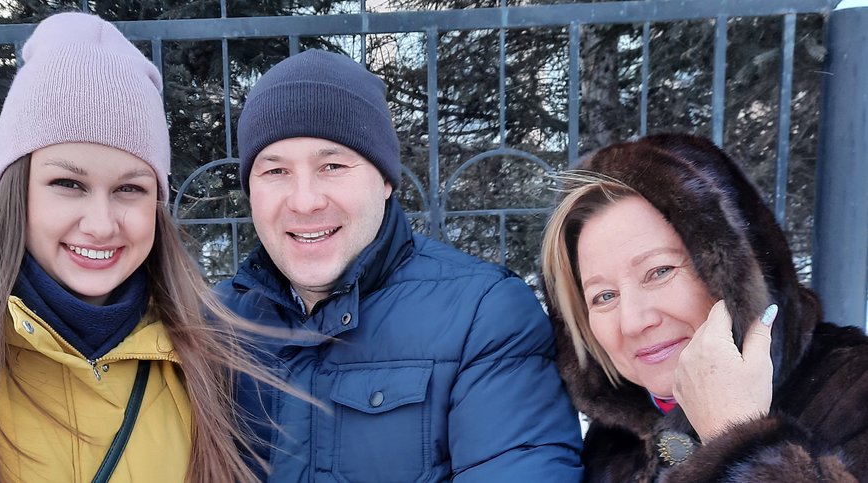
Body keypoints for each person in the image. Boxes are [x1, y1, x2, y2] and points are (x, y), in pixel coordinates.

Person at [0, 12, 272, 482]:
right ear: (19, 190)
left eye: (129, 189)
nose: (100, 226)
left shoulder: (205, 352)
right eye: (68, 183)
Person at [216, 49, 584, 481]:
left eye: (332, 166)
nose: (304, 200)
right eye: (275, 171)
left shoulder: (482, 314)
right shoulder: (210, 323)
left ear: (386, 179)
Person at [540, 133, 868, 482]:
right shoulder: (611, 442)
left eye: (660, 271)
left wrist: (741, 444)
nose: (633, 322)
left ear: (735, 273)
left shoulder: (854, 393)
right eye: (604, 296)